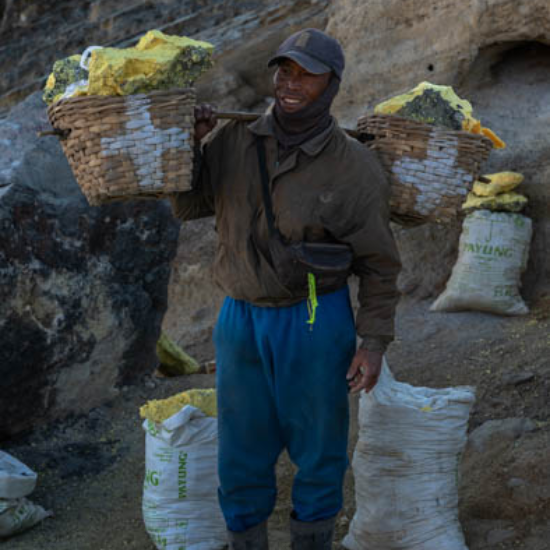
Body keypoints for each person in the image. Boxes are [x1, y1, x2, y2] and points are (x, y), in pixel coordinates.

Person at [170, 28, 401, 550]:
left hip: (315, 318)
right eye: (284, 70)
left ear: (332, 84)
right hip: (239, 317)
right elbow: (187, 208)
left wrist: (373, 342)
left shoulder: (354, 167)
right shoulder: (234, 138)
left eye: (306, 74)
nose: (290, 83)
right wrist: (189, 144)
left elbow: (380, 265)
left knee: (319, 447)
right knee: (241, 445)